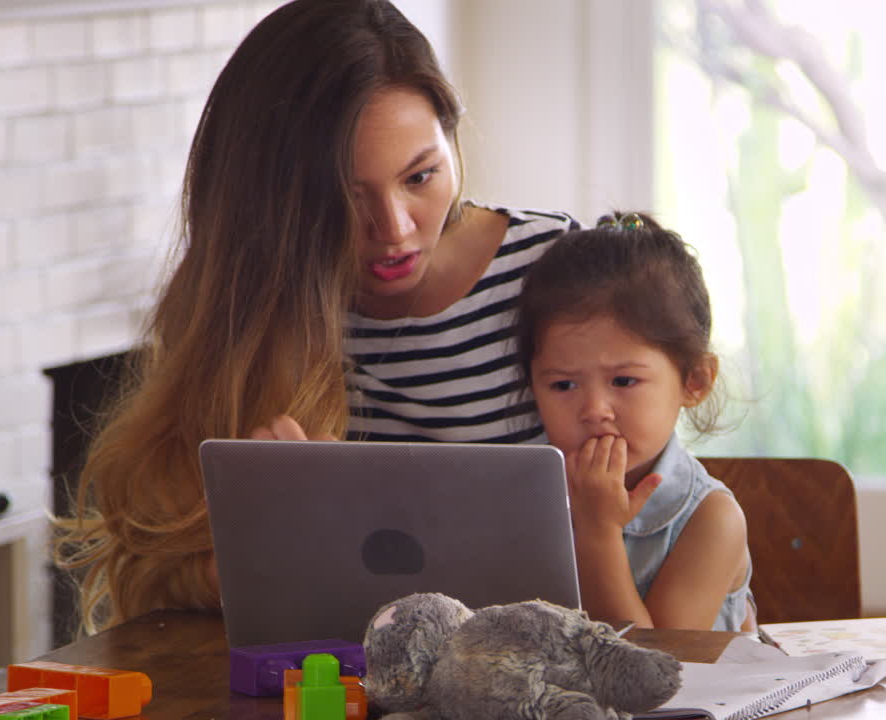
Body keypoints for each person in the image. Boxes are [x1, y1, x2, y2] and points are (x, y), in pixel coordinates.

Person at [54, 0, 577, 633]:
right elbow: (158, 570)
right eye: (344, 198)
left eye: (421, 176)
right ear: (272, 205)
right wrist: (274, 544)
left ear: (451, 138)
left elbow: (652, 516)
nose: (395, 229)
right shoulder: (247, 306)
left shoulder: (551, 271)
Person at [515, 212, 755, 632]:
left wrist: (598, 531)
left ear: (694, 380)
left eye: (623, 380)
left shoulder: (712, 519)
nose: (594, 409)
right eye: (563, 385)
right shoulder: (528, 499)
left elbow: (650, 669)